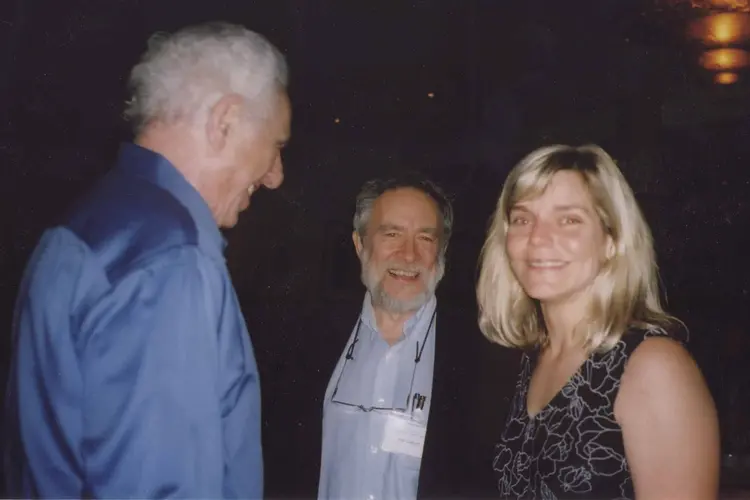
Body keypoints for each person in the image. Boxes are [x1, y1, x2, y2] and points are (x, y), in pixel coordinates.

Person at [3, 22, 290, 498]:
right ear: (225, 120)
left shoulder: (87, 226)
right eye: (276, 145)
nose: (276, 176)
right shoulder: (172, 257)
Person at [476, 144, 720, 499]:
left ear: (611, 240)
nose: (537, 238)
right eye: (522, 218)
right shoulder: (527, 359)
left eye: (569, 219)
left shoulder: (653, 367)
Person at [318, 175, 508, 500]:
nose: (409, 255)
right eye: (392, 234)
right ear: (360, 244)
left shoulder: (482, 355)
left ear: (442, 252)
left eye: (425, 238)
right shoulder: (310, 339)